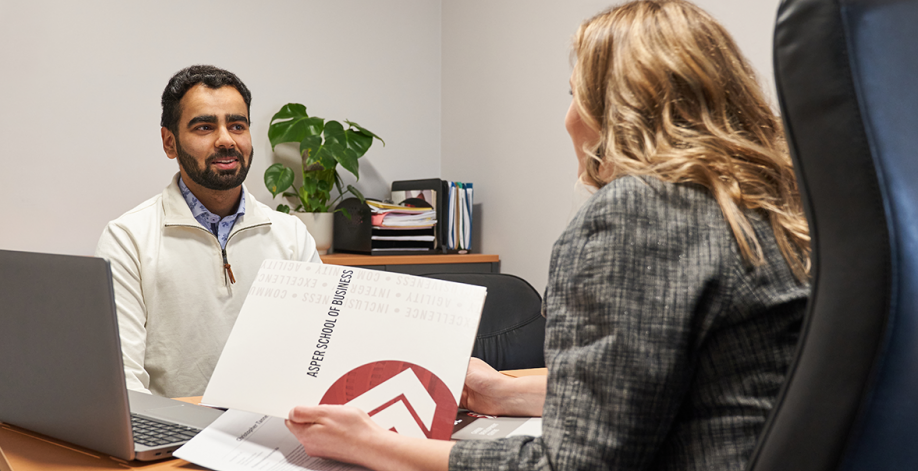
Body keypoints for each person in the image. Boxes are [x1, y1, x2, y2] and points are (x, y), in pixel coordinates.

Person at [285, 1, 810, 470]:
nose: (567, 120)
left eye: (575, 96)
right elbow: (669, 391)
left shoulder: (640, 212)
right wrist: (503, 393)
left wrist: (370, 445)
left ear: (616, 112)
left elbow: (577, 463)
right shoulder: (771, 210)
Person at [96, 65, 321, 398]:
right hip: (172, 439)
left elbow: (315, 354)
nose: (226, 140)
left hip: (269, 431)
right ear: (169, 142)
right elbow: (123, 382)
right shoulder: (128, 239)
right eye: (204, 127)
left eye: (237, 125)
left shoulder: (291, 236)